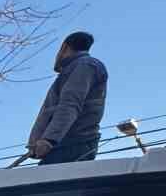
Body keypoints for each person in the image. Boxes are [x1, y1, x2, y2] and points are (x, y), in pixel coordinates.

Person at [27, 31, 107, 164]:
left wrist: (49, 139)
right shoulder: (78, 68)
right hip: (63, 144)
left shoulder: (84, 65)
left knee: (49, 183)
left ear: (64, 47)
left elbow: (70, 104)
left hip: (72, 144)